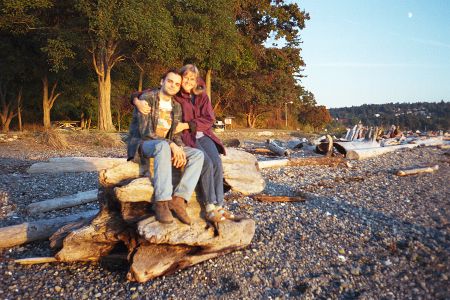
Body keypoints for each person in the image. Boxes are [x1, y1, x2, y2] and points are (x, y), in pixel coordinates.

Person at [132, 65, 234, 222]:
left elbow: (208, 119)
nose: (186, 82)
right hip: (167, 139)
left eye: (191, 79)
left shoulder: (191, 98)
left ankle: (208, 203)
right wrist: (136, 100)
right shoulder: (165, 96)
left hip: (199, 133)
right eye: (184, 78)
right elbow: (143, 101)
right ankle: (198, 205)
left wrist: (181, 140)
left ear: (196, 81)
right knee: (202, 161)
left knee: (212, 161)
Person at [128, 69, 204, 225]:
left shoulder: (176, 106)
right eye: (170, 81)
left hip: (165, 146)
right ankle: (162, 202)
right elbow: (145, 132)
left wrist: (180, 148)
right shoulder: (147, 99)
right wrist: (171, 145)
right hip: (144, 145)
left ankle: (179, 199)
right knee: (163, 145)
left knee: (197, 155)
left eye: (177, 84)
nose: (173, 85)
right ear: (162, 82)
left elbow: (175, 134)